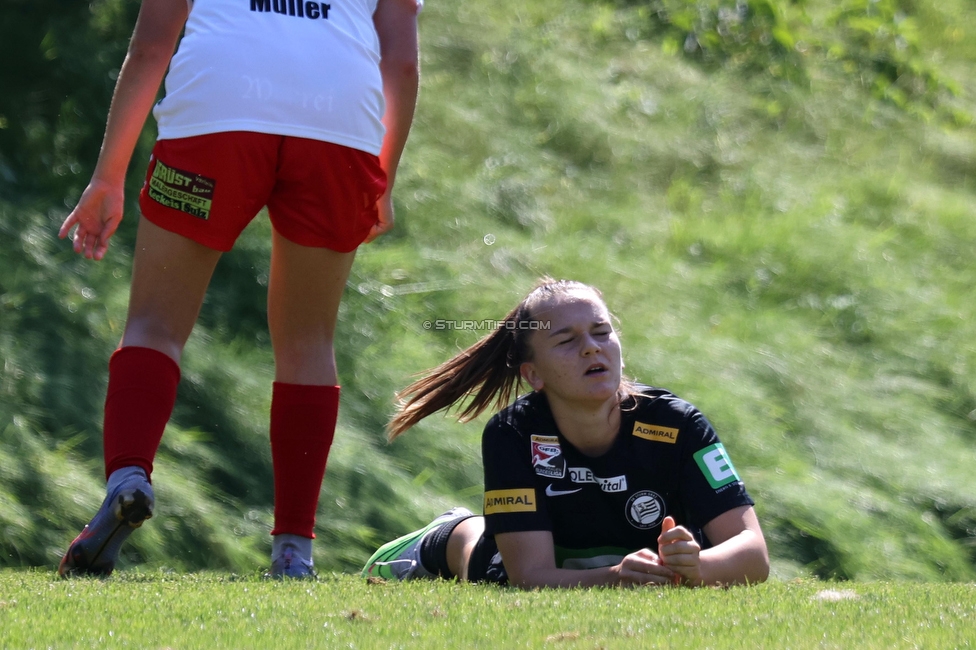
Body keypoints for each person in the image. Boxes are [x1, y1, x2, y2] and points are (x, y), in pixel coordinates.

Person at [57, 0, 421, 579]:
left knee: (154, 325)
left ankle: (128, 477)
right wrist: (385, 175)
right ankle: (293, 549)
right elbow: (400, 62)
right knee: (308, 342)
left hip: (218, 106)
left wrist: (108, 175)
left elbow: (151, 45)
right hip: (338, 120)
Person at [362, 279, 769, 588]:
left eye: (601, 332)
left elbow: (754, 554)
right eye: (567, 340)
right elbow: (530, 574)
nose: (592, 348)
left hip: (618, 556)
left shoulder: (676, 425)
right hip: (533, 559)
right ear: (533, 374)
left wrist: (698, 566)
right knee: (476, 549)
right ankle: (444, 535)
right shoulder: (513, 433)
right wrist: (615, 577)